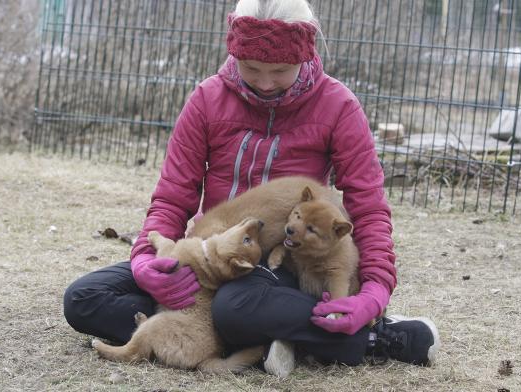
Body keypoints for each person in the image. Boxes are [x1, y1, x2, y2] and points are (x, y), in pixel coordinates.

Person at [63, 0, 440, 377]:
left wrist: (374, 292)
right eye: (251, 68)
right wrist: (146, 258)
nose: (263, 82)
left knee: (234, 307)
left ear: (304, 56)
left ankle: (372, 337)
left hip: (281, 260)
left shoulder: (338, 106)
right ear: (234, 52)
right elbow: (173, 195)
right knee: (84, 299)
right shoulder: (207, 99)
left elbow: (368, 209)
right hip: (210, 253)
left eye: (280, 71)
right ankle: (270, 337)